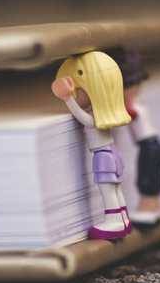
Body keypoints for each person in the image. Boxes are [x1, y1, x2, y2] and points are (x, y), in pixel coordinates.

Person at [51, 49, 133, 241]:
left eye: (78, 91)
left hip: (103, 155)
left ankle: (114, 219)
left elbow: (84, 119)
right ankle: (123, 218)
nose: (76, 95)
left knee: (107, 189)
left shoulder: (94, 115)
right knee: (115, 187)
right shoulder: (104, 113)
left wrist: (68, 99)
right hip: (112, 152)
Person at [108, 44, 160, 230]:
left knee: (148, 178)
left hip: (150, 146)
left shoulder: (132, 109)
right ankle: (153, 206)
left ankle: (150, 207)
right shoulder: (134, 106)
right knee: (150, 176)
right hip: (151, 146)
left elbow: (126, 116)